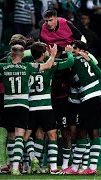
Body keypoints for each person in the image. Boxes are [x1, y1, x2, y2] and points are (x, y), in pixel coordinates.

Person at [0, 42, 58, 175]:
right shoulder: (28, 67)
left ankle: (13, 164)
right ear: (23, 54)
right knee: (20, 136)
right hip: (22, 106)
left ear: (11, 54)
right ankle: (15, 168)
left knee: (11, 136)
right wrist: (52, 54)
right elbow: (47, 65)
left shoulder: (4, 67)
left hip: (8, 106)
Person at [27, 42, 74, 174]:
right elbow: (69, 62)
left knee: (27, 136)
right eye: (46, 51)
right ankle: (53, 168)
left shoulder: (26, 65)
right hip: (45, 106)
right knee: (52, 135)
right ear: (43, 54)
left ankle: (25, 164)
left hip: (30, 105)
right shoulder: (50, 65)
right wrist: (68, 52)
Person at [64, 40, 101, 175]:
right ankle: (91, 167)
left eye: (74, 48)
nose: (72, 50)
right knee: (93, 132)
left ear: (80, 50)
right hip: (98, 98)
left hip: (89, 100)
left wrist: (69, 54)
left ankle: (75, 168)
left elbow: (69, 62)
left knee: (82, 133)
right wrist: (89, 59)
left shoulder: (75, 60)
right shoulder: (87, 60)